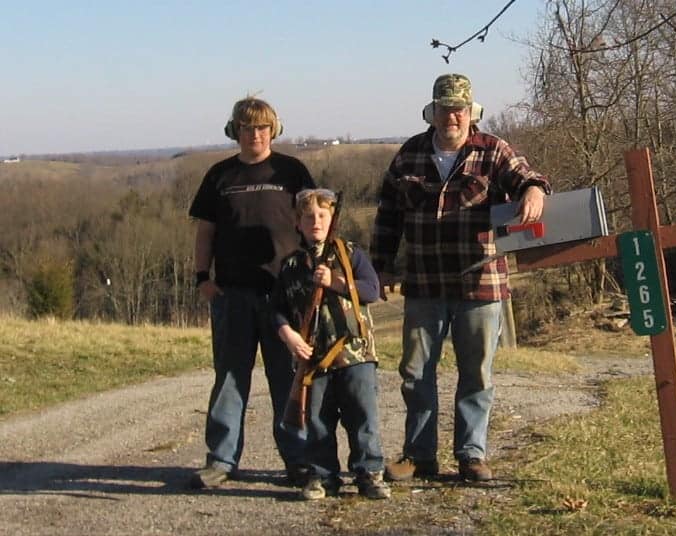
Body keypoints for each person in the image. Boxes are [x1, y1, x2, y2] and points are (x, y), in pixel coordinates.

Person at [370, 73, 551, 483]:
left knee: (477, 373)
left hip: (480, 283)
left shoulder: (493, 150)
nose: (453, 116)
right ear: (432, 112)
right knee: (416, 374)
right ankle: (419, 456)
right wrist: (379, 267)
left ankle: (471, 455)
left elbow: (529, 177)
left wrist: (534, 192)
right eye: (445, 108)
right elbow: (387, 217)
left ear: (471, 113)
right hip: (424, 285)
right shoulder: (409, 155)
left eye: (460, 109)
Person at [188, 97, 315, 488]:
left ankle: (298, 460)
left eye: (262, 127)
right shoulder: (219, 176)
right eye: (247, 128)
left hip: (285, 295)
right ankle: (222, 460)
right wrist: (201, 278)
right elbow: (205, 231)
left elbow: (315, 222)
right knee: (229, 377)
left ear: (273, 130)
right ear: (235, 131)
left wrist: (313, 275)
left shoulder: (292, 171)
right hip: (232, 294)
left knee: (289, 379)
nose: (255, 134)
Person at [272, 188, 391, 500]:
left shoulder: (348, 254)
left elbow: (371, 289)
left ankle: (370, 474)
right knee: (317, 421)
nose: (316, 222)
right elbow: (276, 309)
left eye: (322, 215)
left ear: (331, 220)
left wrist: (336, 282)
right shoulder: (290, 266)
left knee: (363, 417)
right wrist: (289, 335)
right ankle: (323, 477)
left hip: (355, 353)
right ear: (297, 223)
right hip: (314, 359)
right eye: (308, 216)